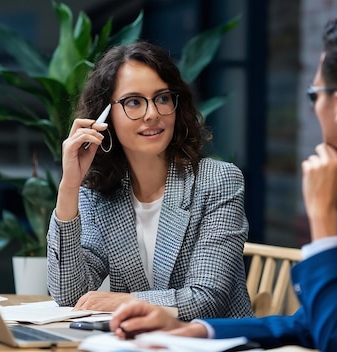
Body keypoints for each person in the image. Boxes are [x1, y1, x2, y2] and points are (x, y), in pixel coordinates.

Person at [109, 15, 337, 351]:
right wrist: (197, 330)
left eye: (315, 94)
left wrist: (322, 213)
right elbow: (316, 322)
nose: (314, 107)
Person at [47, 41, 254, 320]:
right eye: (133, 101)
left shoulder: (218, 181)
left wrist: (124, 301)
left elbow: (205, 300)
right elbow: (70, 294)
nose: (152, 114)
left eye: (162, 98)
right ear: (104, 116)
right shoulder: (99, 194)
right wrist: (69, 187)